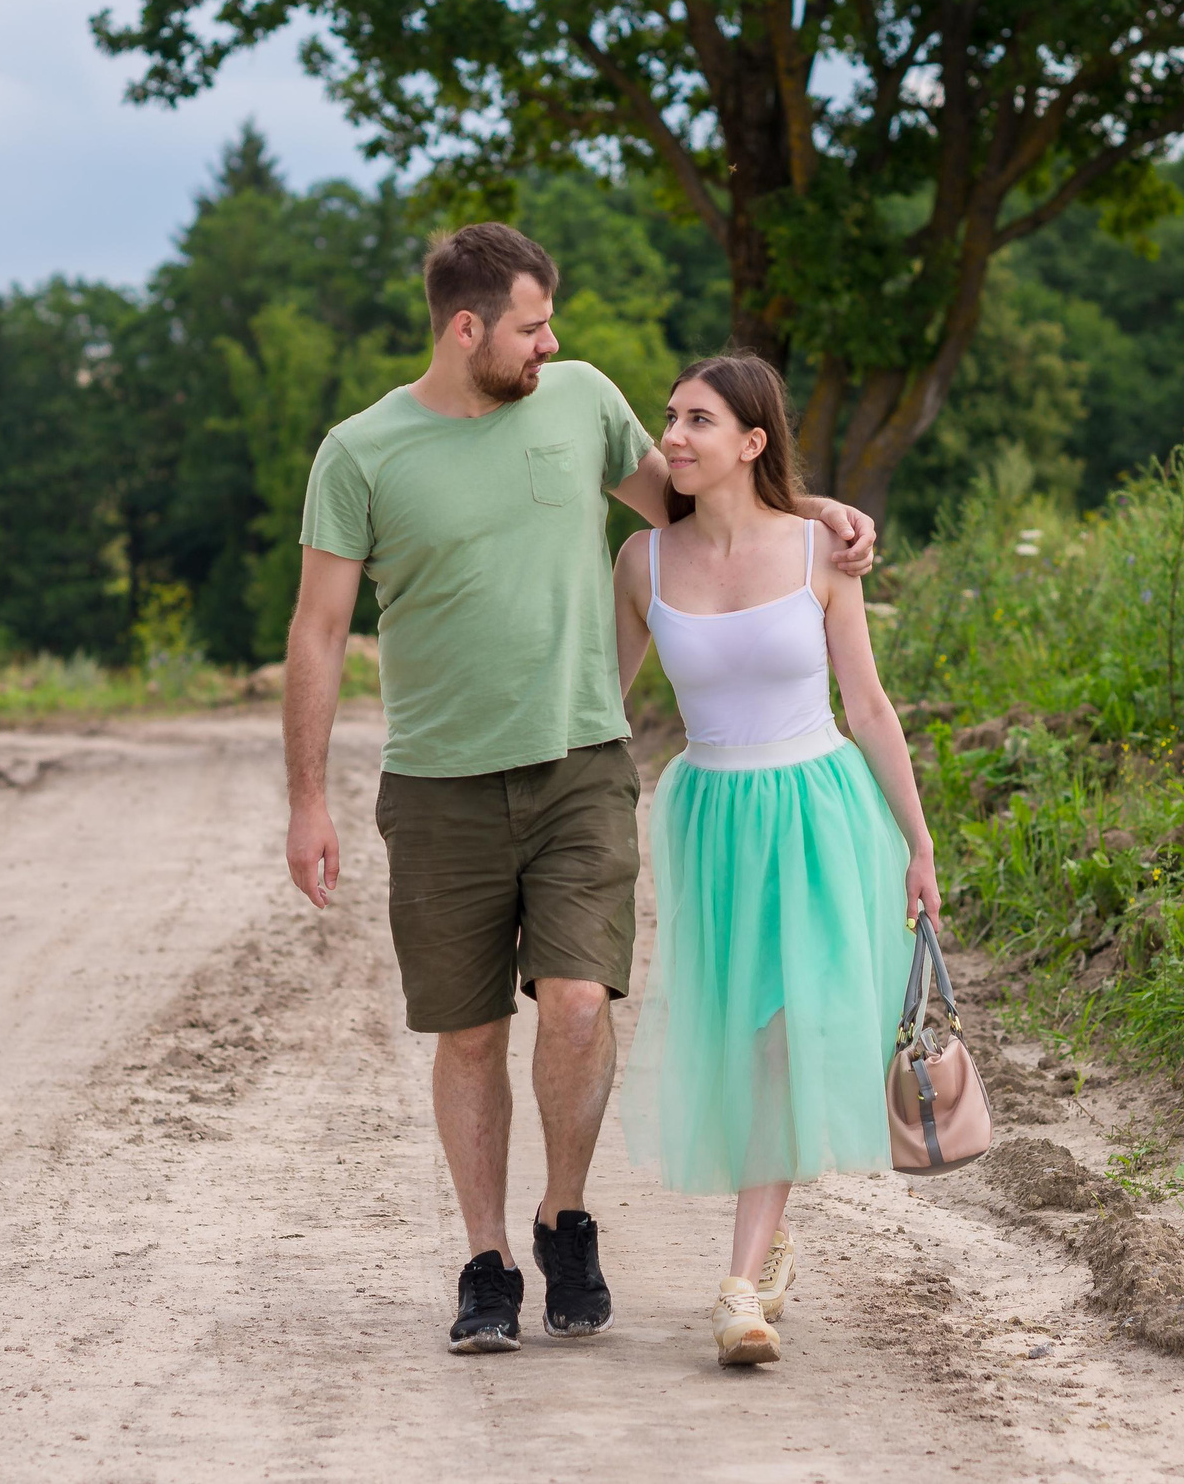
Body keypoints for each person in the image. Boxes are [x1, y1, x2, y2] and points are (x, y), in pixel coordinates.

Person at [282, 224, 877, 1355]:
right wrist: (307, 797)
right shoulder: (359, 453)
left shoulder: (584, 400)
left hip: (580, 766)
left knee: (576, 1003)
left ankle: (564, 1218)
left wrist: (815, 514)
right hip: (438, 782)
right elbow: (317, 631)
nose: (550, 342)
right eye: (531, 326)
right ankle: (486, 1261)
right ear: (468, 329)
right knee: (468, 1035)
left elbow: (703, 510)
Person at [611, 353, 940, 1368]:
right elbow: (599, 706)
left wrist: (919, 843)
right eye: (670, 417)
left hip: (819, 810)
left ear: (752, 442)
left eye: (697, 420)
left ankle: (738, 1284)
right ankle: (772, 1241)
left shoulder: (818, 552)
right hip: (712, 819)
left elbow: (868, 706)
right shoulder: (642, 562)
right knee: (743, 1028)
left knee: (786, 1036)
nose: (672, 436)